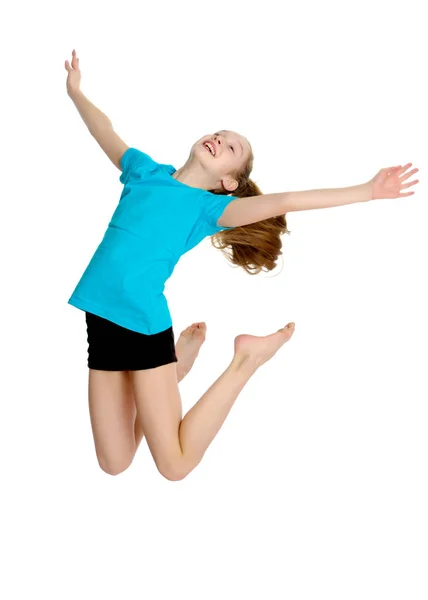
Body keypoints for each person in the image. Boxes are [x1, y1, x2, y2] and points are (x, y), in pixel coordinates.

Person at [65, 50, 419, 480]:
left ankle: (246, 359)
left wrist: (367, 190)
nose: (218, 138)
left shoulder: (208, 209)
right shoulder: (143, 171)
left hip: (141, 326)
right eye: (218, 133)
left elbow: (287, 201)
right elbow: (105, 131)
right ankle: (175, 369)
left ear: (228, 182)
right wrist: (76, 92)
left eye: (231, 146)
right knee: (114, 463)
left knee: (174, 466)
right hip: (99, 321)